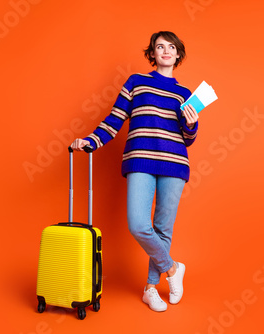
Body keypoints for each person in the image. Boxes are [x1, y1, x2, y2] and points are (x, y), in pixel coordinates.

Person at [70, 31, 199, 312]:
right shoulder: (136, 83)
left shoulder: (185, 94)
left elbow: (188, 138)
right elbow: (115, 118)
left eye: (171, 47)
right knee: (139, 224)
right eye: (159, 47)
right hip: (140, 160)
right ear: (152, 54)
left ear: (178, 55)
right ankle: (174, 268)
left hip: (175, 164)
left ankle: (150, 289)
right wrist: (91, 141)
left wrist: (191, 124)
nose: (166, 51)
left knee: (163, 229)